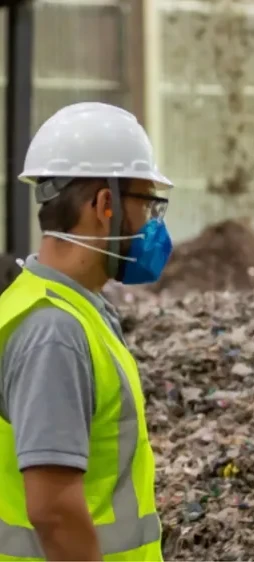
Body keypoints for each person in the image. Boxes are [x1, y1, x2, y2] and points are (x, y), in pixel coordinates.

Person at [0, 102, 174, 561]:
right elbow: (53, 508)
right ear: (106, 205)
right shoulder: (54, 331)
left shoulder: (69, 309)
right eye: (147, 205)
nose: (153, 224)